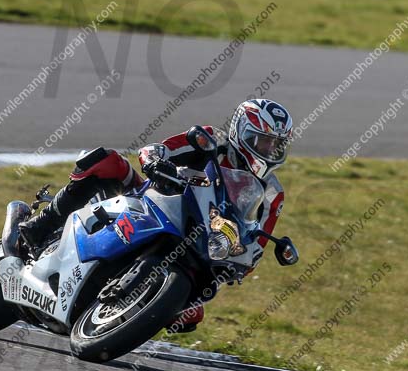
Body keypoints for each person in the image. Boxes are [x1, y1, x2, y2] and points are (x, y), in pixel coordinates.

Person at [17, 99, 293, 331]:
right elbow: (156, 149)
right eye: (263, 141)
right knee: (107, 161)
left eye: (276, 145)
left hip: (201, 239)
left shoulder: (273, 193)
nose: (268, 151)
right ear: (241, 132)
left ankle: (127, 315)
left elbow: (257, 244)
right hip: (152, 199)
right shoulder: (210, 139)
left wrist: (245, 254)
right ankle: (42, 224)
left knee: (190, 314)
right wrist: (155, 162)